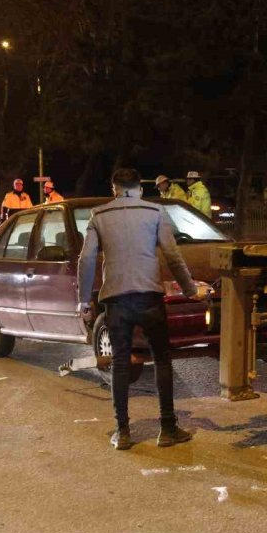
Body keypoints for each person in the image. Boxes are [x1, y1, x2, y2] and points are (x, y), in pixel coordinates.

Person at [77, 168, 210, 451]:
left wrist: (82, 302)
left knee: (121, 363)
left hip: (116, 299)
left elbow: (86, 260)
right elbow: (173, 255)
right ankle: (168, 427)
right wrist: (190, 291)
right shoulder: (155, 212)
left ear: (114, 189)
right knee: (161, 359)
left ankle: (123, 431)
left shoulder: (98, 215)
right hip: (150, 296)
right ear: (139, 188)